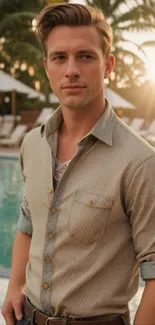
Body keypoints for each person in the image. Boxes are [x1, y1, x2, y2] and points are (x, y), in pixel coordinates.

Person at [2, 3, 155, 325]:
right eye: (60, 58)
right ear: (47, 66)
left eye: (85, 56)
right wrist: (14, 285)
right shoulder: (32, 144)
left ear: (108, 65)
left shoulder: (140, 162)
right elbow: (28, 224)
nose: (71, 69)